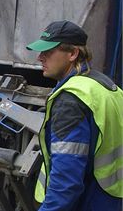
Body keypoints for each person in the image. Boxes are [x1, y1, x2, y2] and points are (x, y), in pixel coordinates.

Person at [26, 20, 123, 211]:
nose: (40, 58)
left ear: (72, 53)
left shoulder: (71, 100)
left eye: (48, 52)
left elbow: (66, 182)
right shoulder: (105, 86)